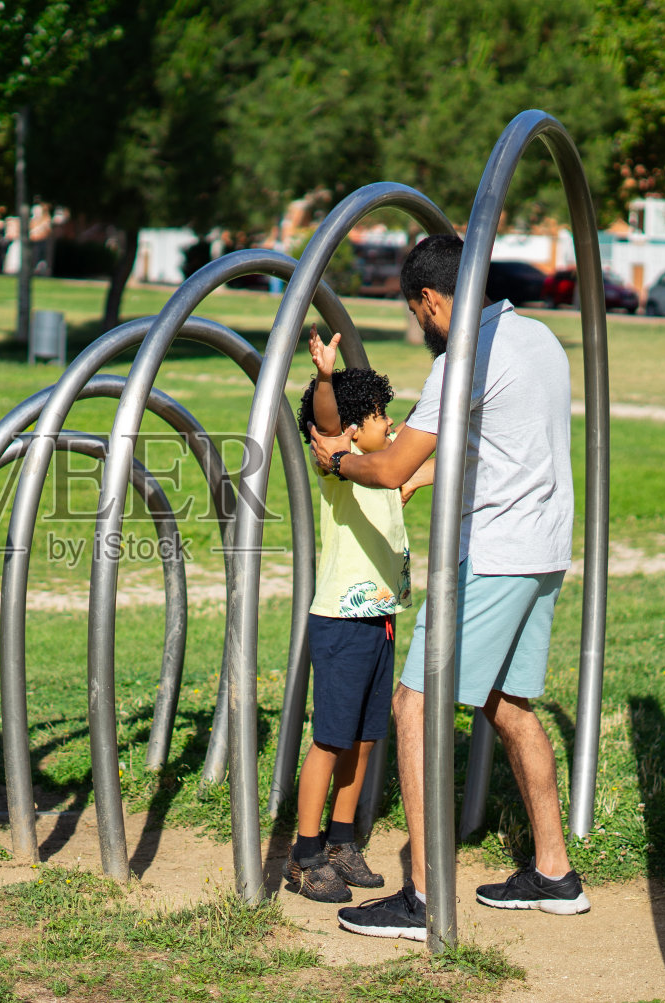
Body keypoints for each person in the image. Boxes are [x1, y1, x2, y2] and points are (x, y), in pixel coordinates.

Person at [307, 234, 589, 942]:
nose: (421, 326)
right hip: (545, 547)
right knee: (507, 705)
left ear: (430, 299)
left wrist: (341, 460)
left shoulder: (463, 355)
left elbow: (396, 458)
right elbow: (494, 449)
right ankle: (553, 873)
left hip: (492, 553)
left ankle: (424, 896)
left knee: (414, 703)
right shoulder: (539, 340)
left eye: (415, 313)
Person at [286, 325, 413, 903]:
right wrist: (324, 377)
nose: (392, 426)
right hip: (340, 622)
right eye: (384, 419)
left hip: (380, 623)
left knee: (363, 740)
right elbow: (329, 422)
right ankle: (305, 852)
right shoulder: (338, 466)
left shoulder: (385, 473)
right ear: (355, 431)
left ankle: (342, 841)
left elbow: (431, 459)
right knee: (331, 740)